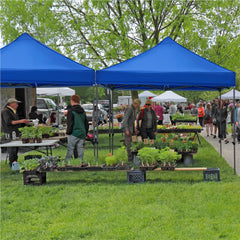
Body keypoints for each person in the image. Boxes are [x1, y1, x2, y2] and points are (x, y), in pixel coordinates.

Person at [1, 98, 30, 167]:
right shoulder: (5, 111)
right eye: (16, 103)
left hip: (14, 132)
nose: (17, 105)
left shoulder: (13, 111)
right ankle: (12, 165)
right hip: (9, 133)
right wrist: (21, 121)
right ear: (11, 104)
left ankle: (15, 163)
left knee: (15, 149)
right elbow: (9, 122)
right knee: (12, 149)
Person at [65, 95, 89, 164]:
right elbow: (86, 123)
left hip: (74, 132)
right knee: (80, 148)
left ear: (72, 101)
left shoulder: (71, 111)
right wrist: (86, 132)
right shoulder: (83, 111)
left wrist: (68, 132)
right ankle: (80, 162)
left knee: (70, 148)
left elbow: (70, 123)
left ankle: (66, 163)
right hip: (82, 132)